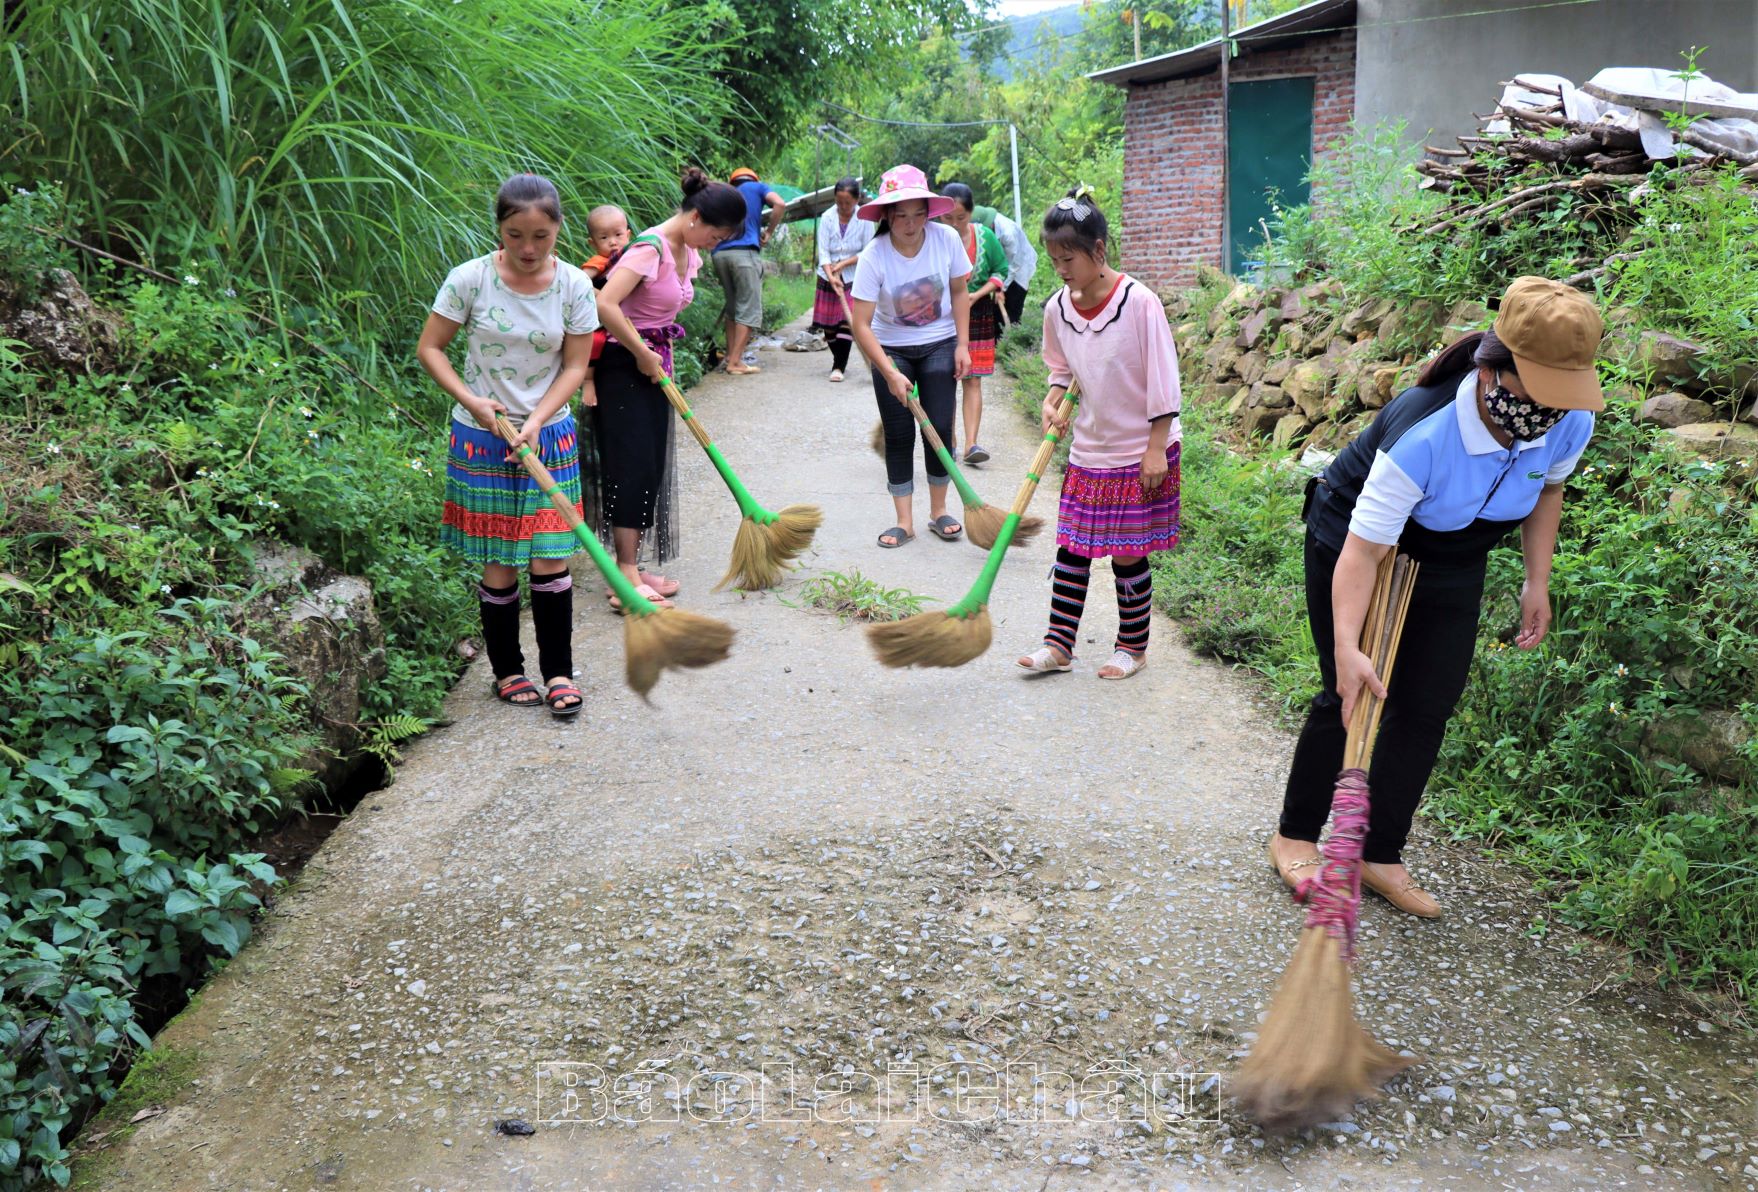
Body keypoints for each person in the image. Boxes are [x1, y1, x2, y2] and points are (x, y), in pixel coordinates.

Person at [1268, 276, 1605, 918]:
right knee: (1352, 692)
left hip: (1456, 547)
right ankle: (1294, 836)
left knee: (1428, 702)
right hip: (1357, 532)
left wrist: (1539, 580)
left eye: (1566, 395)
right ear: (1494, 371)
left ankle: (1377, 850)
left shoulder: (1569, 421)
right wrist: (1347, 647)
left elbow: (1548, 491)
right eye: (1541, 392)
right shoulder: (1426, 431)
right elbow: (1365, 553)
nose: (1552, 411)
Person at [418, 173, 596, 718]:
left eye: (541, 235)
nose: (527, 248)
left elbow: (575, 363)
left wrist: (539, 418)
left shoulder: (573, 286)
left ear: (558, 229)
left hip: (549, 435)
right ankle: (508, 671)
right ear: (499, 228)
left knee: (550, 559)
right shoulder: (469, 279)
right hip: (484, 438)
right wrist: (474, 402)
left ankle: (559, 672)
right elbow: (431, 350)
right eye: (516, 234)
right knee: (499, 563)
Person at [1016, 187, 1180, 682]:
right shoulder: (1056, 310)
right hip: (1090, 447)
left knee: (1129, 552)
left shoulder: (1139, 303)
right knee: (1073, 548)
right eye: (1053, 259)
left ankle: (1133, 648)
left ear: (1100, 251)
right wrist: (1052, 398)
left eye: (1069, 258)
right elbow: (1061, 369)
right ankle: (1059, 645)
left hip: (1140, 448)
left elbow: (1164, 378)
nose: (1061, 269)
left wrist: (1156, 449)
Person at [590, 168, 745, 608]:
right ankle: (623, 577)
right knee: (630, 467)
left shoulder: (686, 251)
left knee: (649, 467)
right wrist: (640, 352)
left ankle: (632, 567)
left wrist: (651, 357)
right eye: (718, 235)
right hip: (624, 366)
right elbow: (605, 304)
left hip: (654, 364)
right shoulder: (649, 248)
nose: (717, 244)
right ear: (696, 218)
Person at [847, 163, 971, 548]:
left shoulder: (947, 239)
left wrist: (964, 345)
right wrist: (888, 372)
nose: (911, 223)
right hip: (891, 346)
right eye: (901, 215)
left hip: (939, 342)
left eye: (918, 214)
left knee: (938, 428)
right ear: (886, 216)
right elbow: (861, 324)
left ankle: (938, 510)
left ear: (929, 212)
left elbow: (960, 292)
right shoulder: (874, 255)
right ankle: (905, 521)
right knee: (899, 433)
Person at [938, 183, 1008, 465]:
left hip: (978, 315)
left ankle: (971, 444)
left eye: (961, 218)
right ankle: (950, 441)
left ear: (971, 213)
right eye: (948, 218)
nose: (954, 224)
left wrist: (976, 295)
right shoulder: (933, 238)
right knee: (944, 381)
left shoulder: (986, 237)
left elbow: (1000, 270)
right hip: (943, 318)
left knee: (973, 379)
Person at [712, 166, 784, 376]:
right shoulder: (757, 187)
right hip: (744, 254)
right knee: (749, 308)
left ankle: (729, 357)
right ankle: (735, 362)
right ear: (753, 179)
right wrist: (769, 232)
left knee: (733, 306)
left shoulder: (725, 192)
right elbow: (779, 204)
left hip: (719, 254)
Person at [811, 178, 875, 383]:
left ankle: (839, 366)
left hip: (854, 275)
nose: (844, 207)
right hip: (827, 275)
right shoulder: (827, 217)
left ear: (856, 200)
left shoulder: (864, 218)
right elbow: (823, 252)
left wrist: (844, 264)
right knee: (829, 326)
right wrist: (831, 275)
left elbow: (868, 250)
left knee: (848, 321)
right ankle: (837, 357)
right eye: (840, 202)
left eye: (848, 202)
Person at [975, 203, 1039, 326]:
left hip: (1020, 268)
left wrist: (1001, 288)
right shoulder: (987, 226)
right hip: (1004, 268)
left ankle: (1012, 338)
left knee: (1013, 307)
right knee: (996, 310)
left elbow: (1014, 265)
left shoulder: (1008, 233)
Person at [581, 205, 632, 289]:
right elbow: (580, 281)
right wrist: (600, 296)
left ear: (628, 235)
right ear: (593, 243)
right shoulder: (599, 261)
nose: (612, 242)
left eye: (618, 234)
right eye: (604, 237)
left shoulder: (634, 254)